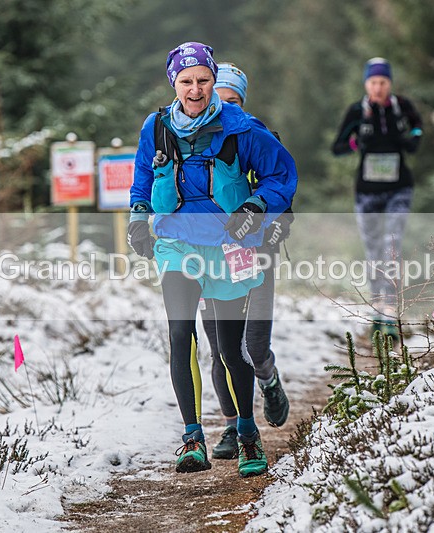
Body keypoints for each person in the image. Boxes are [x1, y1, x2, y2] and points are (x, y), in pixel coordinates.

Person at [128, 42, 298, 477]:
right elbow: (144, 177)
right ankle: (191, 437)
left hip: (229, 247)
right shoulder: (157, 126)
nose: (196, 89)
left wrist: (256, 206)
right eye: (186, 81)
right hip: (176, 245)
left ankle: (246, 434)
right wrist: (139, 218)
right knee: (181, 333)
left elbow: (282, 175)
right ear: (174, 83)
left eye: (203, 80)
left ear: (213, 80)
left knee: (229, 346)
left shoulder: (241, 128)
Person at [199, 63, 292, 462]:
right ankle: (234, 425)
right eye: (218, 98)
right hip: (209, 256)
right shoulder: (195, 141)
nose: (224, 106)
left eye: (232, 99)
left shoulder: (259, 135)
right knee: (221, 346)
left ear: (243, 101)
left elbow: (284, 196)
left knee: (252, 345)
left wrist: (272, 234)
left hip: (255, 253)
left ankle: (269, 380)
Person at [331, 57, 423, 339]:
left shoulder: (401, 107)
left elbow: (418, 128)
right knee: (373, 253)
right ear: (366, 84)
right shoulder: (357, 111)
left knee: (391, 248)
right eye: (373, 82)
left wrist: (409, 140)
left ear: (390, 83)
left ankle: (391, 316)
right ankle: (377, 315)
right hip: (367, 192)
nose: (379, 87)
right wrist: (358, 141)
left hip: (399, 188)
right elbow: (337, 147)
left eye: (383, 82)